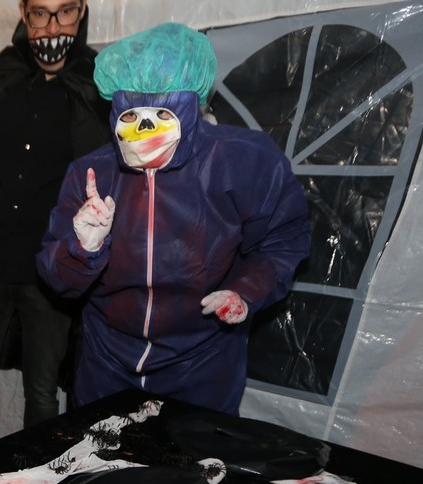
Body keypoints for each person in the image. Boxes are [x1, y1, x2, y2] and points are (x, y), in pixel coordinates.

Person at [37, 23, 311, 415]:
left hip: (202, 363)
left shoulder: (244, 162)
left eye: (163, 113)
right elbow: (55, 278)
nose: (145, 128)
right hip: (107, 361)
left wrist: (246, 290)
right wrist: (82, 249)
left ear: (191, 107)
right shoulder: (92, 173)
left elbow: (283, 240)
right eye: (131, 114)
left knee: (189, 453)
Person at [0, 0, 111, 444]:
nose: (52, 27)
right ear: (23, 12)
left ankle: (38, 482)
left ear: (82, 12)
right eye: (40, 13)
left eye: (65, 12)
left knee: (42, 392)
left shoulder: (98, 85)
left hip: (51, 271)